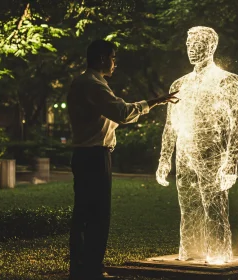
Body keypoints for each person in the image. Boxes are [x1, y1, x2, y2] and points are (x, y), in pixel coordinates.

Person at [67, 39, 178, 280]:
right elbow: (121, 112)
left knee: (85, 213)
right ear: (101, 59)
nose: (115, 63)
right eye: (113, 57)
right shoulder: (93, 85)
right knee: (96, 214)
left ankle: (82, 268)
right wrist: (155, 102)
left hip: (89, 155)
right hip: (94, 156)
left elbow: (114, 117)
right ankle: (90, 270)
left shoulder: (88, 83)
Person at [156, 26, 238, 264]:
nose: (192, 50)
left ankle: (217, 253)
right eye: (189, 45)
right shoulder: (180, 84)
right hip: (184, 154)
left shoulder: (228, 81)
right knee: (187, 207)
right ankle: (189, 252)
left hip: (212, 153)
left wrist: (231, 163)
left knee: (214, 208)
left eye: (198, 45)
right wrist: (165, 159)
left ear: (211, 46)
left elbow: (237, 125)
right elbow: (170, 125)